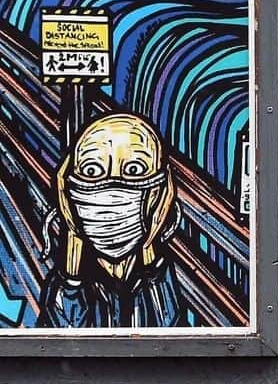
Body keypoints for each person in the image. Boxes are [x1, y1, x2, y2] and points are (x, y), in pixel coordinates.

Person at [37, 112, 185, 327]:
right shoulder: (66, 284)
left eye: (134, 170)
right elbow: (62, 341)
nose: (112, 184)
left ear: (159, 189)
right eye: (92, 170)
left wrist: (150, 248)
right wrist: (72, 272)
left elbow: (169, 337)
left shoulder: (161, 279)